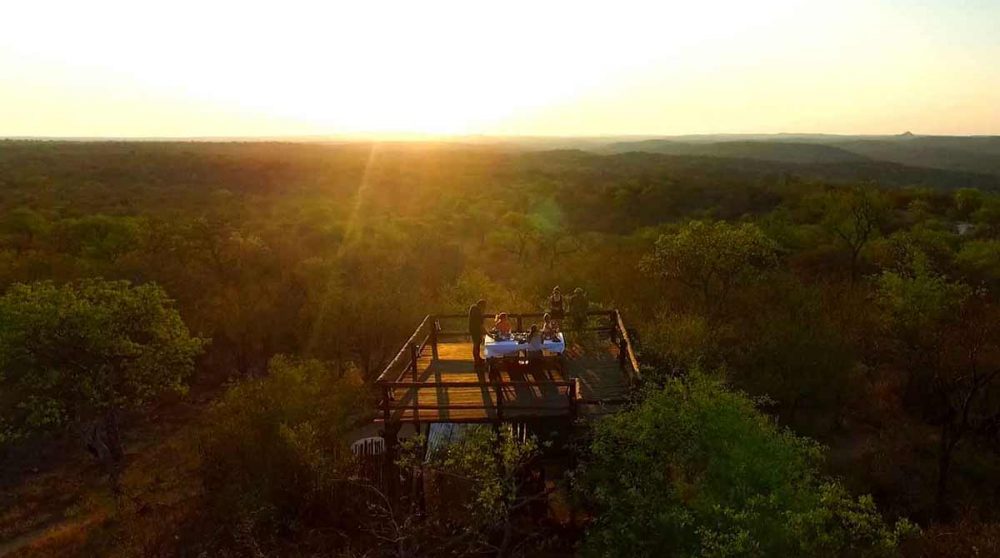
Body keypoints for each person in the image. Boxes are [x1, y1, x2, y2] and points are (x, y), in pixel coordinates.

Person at [468, 299, 486, 364]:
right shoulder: (478, 312)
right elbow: (481, 325)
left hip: (473, 329)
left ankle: (477, 358)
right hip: (476, 330)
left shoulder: (473, 309)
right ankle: (477, 360)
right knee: (476, 344)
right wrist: (488, 334)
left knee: (477, 344)